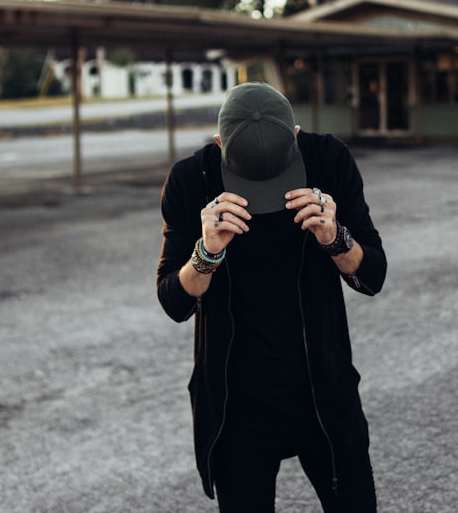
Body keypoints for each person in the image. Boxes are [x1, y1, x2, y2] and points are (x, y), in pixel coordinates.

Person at [156, 81, 387, 512]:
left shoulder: (328, 160)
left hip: (323, 393)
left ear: (297, 137)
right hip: (237, 408)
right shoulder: (191, 180)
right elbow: (174, 302)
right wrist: (206, 252)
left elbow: (372, 275)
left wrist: (335, 238)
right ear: (219, 144)